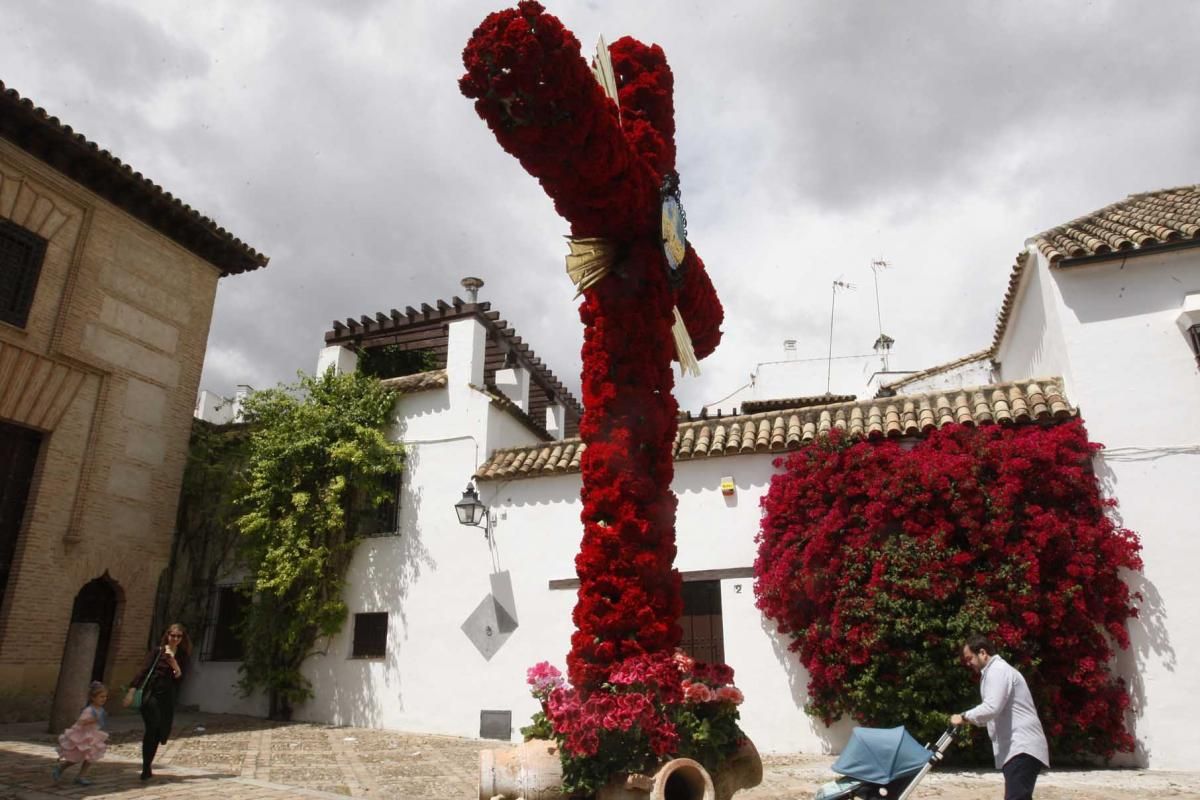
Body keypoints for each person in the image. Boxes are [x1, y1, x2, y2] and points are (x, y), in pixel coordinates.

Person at [950, 635, 1050, 800]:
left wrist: (964, 717)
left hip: (1021, 747)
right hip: (1018, 749)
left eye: (969, 658)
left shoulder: (997, 670)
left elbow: (991, 708)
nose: (968, 663)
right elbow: (993, 713)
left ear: (982, 652)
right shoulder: (996, 671)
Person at [123, 622, 191, 781]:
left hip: (167, 697)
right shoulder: (157, 651)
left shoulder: (182, 656)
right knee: (152, 727)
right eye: (172, 635)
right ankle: (146, 767)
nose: (175, 638)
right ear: (167, 635)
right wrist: (131, 691)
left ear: (182, 638)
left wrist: (174, 664)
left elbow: (180, 678)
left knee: (159, 731)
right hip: (151, 694)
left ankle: (148, 764)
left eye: (178, 636)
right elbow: (143, 671)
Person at [52, 680, 109, 785]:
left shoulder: (100, 709)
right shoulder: (89, 710)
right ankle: (60, 768)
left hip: (92, 735)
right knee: (76, 758)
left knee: (90, 757)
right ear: (93, 698)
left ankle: (81, 776)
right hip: (83, 736)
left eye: (105, 696)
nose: (104, 699)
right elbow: (81, 721)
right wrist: (91, 721)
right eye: (101, 697)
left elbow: (100, 722)